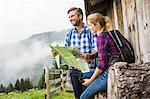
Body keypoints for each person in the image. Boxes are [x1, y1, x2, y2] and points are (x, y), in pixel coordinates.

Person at [80, 13, 122, 99]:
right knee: (81, 74)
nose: (89, 28)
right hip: (111, 67)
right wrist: (90, 56)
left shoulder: (101, 38)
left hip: (110, 71)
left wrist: (90, 80)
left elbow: (102, 64)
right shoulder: (106, 34)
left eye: (90, 25)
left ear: (97, 25)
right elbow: (103, 54)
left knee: (83, 97)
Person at [64, 7, 98, 99]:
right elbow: (66, 50)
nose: (70, 19)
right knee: (78, 97)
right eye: (69, 17)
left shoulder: (90, 30)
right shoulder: (69, 33)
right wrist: (57, 52)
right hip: (74, 71)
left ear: (80, 16)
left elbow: (97, 49)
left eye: (72, 16)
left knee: (87, 97)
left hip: (88, 70)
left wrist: (90, 56)